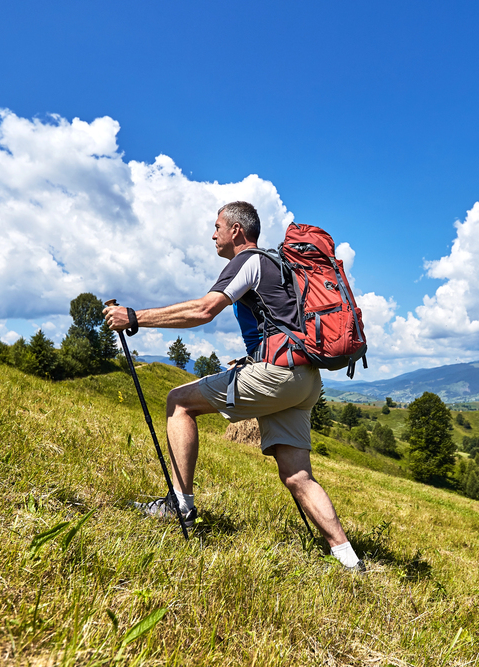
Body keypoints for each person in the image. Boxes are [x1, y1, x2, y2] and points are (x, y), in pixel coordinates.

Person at [103, 201, 364, 572]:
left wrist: (135, 317)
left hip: (276, 373)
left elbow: (204, 310)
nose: (213, 235)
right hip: (305, 379)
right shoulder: (281, 267)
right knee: (298, 475)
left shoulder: (249, 261)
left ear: (237, 231)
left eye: (217, 227)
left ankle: (179, 504)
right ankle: (349, 562)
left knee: (179, 402)